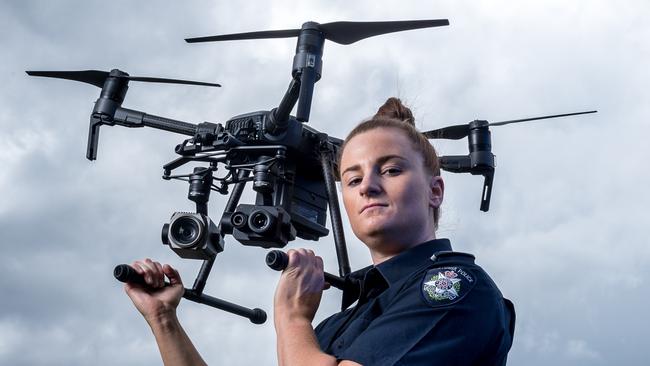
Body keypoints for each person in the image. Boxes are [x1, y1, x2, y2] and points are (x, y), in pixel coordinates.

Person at [125, 97, 515, 365]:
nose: (368, 186)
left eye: (391, 169)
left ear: (435, 190)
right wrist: (164, 320)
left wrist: (292, 319)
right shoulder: (335, 327)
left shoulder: (453, 289)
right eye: (352, 178)